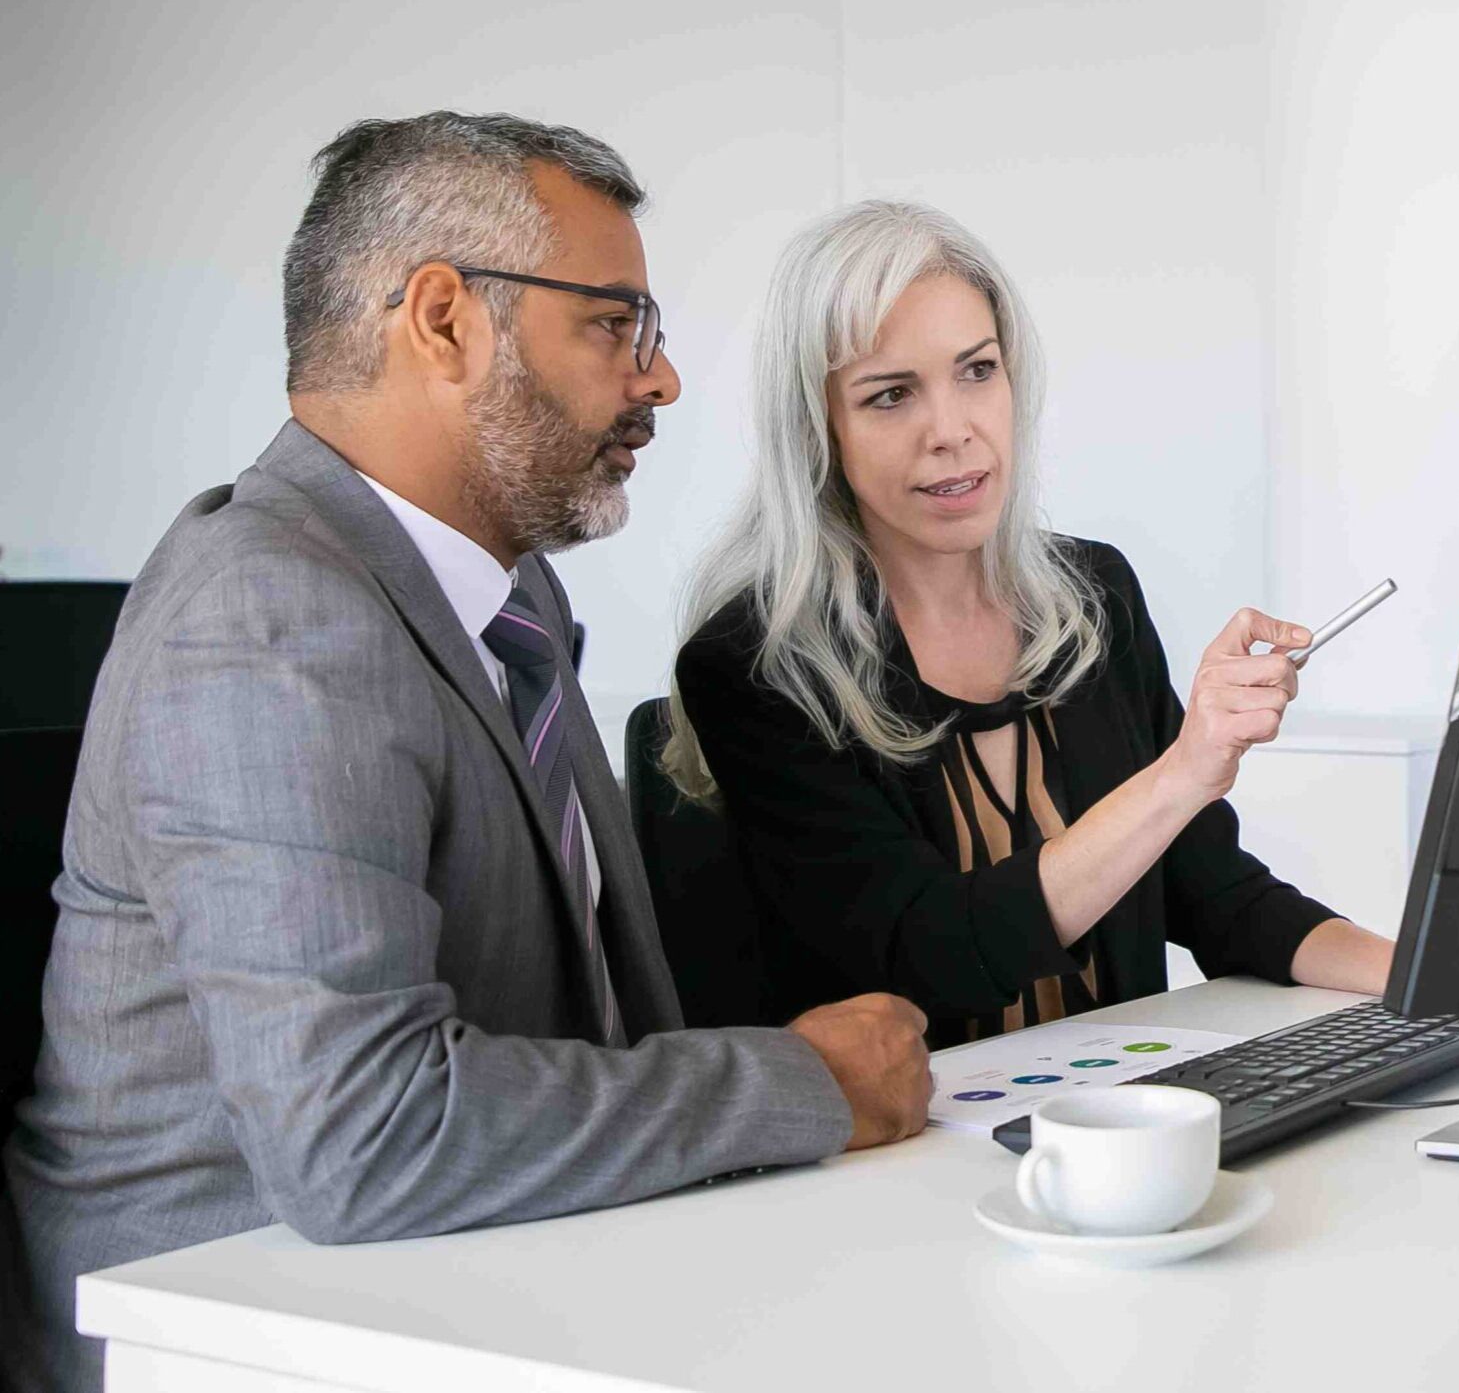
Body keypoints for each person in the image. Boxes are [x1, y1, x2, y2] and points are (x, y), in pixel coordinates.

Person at [2, 116, 931, 1393]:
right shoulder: (268, 615)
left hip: (475, 1276)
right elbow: (364, 1136)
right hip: (233, 1325)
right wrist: (798, 1083)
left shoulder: (510, 595)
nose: (659, 380)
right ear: (443, 318)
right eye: (617, 323)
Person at [664, 201, 1459, 1044]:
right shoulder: (752, 668)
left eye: (976, 371)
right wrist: (1183, 771)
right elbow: (931, 954)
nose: (952, 428)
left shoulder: (1089, 599)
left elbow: (1215, 897)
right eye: (889, 395)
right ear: (816, 431)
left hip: (1108, 1117)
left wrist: (1443, 975)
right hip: (901, 1169)